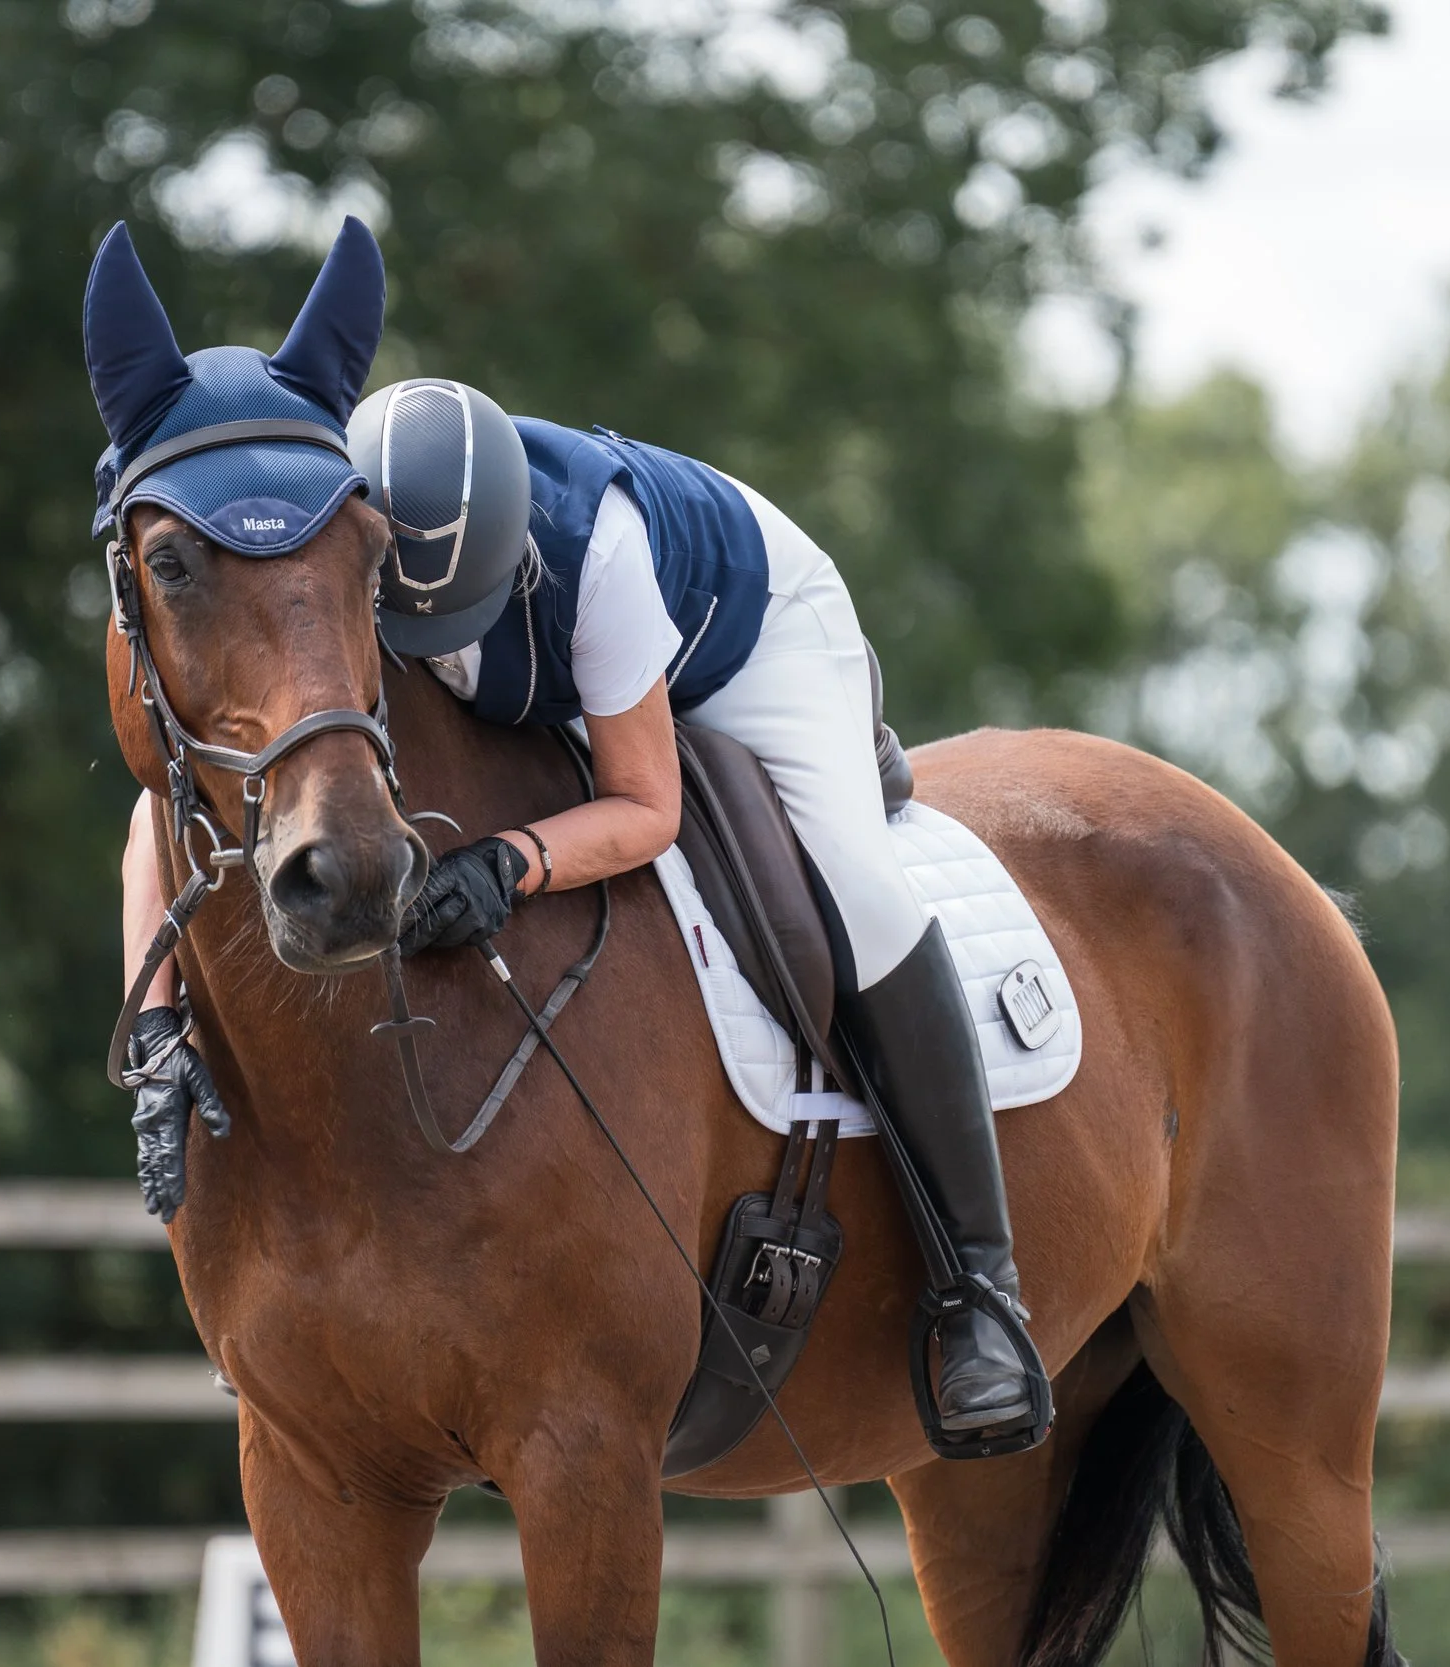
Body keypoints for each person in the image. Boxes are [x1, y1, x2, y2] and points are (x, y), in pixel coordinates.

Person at [96, 217, 1035, 1433]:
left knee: (856, 883)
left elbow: (647, 806)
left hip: (739, 635)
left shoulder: (602, 558)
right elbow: (174, 794)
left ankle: (979, 1285)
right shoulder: (336, 523)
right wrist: (160, 1015)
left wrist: (508, 862)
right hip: (523, 626)